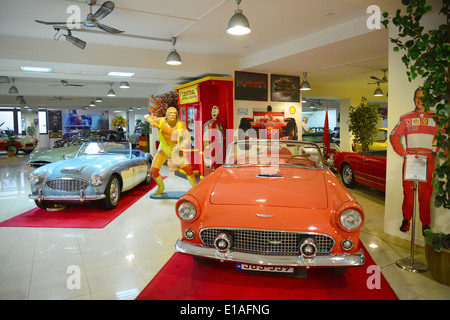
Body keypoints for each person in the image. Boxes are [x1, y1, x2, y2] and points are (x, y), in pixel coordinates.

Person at [390, 89, 441, 235]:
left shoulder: (436, 118)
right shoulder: (406, 118)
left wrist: (436, 149)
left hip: (427, 159)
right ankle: (406, 220)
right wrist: (402, 152)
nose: (420, 101)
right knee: (408, 193)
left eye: (423, 98)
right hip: (411, 159)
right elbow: (393, 136)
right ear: (414, 99)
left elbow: (444, 135)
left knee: (425, 195)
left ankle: (425, 224)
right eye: (417, 98)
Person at [144, 107, 196, 195]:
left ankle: (195, 189)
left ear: (177, 114)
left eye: (174, 113)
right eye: (171, 113)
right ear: (167, 114)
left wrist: (181, 146)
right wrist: (151, 121)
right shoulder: (160, 121)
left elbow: (187, 139)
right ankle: (161, 187)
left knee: (189, 169)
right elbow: (146, 116)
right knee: (153, 171)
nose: (173, 115)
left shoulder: (181, 125)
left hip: (175, 150)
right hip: (163, 149)